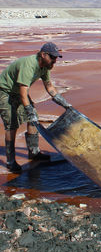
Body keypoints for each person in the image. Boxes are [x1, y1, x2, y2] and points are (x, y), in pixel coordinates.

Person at [0, 42, 72, 173]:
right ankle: (10, 161)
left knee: (34, 119)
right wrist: (29, 110)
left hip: (18, 92)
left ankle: (34, 152)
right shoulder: (29, 65)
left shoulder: (45, 67)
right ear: (43, 55)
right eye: (53, 57)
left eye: (56, 58)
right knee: (12, 124)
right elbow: (23, 92)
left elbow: (49, 87)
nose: (55, 61)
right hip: (5, 91)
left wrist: (64, 103)